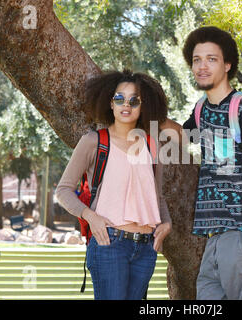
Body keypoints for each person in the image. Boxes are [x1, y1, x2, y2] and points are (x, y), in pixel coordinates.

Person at [178, 26, 242, 300]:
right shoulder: (201, 110)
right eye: (197, 59)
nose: (202, 66)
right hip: (215, 236)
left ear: (227, 64)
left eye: (211, 59)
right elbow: (176, 134)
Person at [55, 69, 172, 300]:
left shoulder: (152, 145)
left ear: (143, 105)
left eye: (133, 100)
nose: (125, 105)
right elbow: (63, 191)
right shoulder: (94, 142)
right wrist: (91, 216)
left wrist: (166, 224)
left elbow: (157, 197)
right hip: (109, 244)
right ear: (110, 103)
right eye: (119, 98)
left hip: (146, 249)